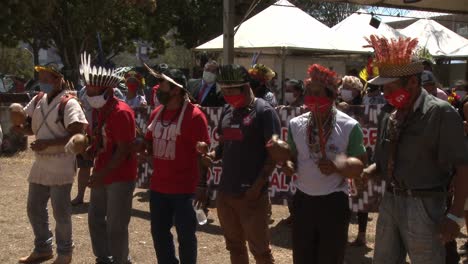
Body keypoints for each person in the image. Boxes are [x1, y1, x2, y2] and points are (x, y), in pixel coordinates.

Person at [363, 35, 468, 264]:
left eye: (390, 88)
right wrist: (366, 173)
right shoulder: (389, 115)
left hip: (426, 204)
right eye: (383, 89)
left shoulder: (441, 113)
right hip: (390, 200)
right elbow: (381, 164)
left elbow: (463, 167)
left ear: (412, 82)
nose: (385, 95)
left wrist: (455, 215)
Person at [287, 64, 366, 264]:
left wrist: (337, 166)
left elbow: (360, 166)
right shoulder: (296, 125)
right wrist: (287, 163)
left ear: (331, 95)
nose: (312, 97)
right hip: (303, 201)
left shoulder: (349, 126)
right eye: (309, 93)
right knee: (303, 258)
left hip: (334, 203)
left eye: (318, 93)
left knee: (330, 258)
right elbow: (291, 158)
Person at [202, 64, 280, 264]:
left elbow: (274, 155)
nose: (226, 95)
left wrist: (257, 186)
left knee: (261, 251)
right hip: (226, 192)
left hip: (252, 195)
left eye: (231, 91)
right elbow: (224, 145)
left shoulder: (264, 112)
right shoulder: (228, 110)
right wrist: (212, 154)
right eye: (224, 90)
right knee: (235, 246)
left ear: (245, 87)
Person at [15, 63, 88, 264]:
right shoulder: (38, 99)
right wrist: (20, 128)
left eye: (47, 79)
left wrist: (47, 143)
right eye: (42, 79)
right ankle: (43, 248)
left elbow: (78, 133)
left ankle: (65, 253)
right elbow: (30, 126)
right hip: (41, 163)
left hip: (61, 163)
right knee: (34, 207)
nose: (43, 83)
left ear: (58, 80)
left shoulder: (69, 103)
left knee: (60, 211)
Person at [143, 65, 210, 263]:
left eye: (162, 84)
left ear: (175, 89)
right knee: (159, 234)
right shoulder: (156, 113)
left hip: (185, 190)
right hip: (158, 188)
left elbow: (202, 154)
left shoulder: (195, 116)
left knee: (186, 237)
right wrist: (142, 147)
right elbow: (149, 142)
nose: (157, 88)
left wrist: (201, 186)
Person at [80, 53, 138, 264]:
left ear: (106, 89)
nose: (87, 91)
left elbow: (123, 151)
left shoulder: (121, 112)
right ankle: (103, 258)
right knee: (95, 219)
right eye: (87, 86)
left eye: (92, 88)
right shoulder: (98, 111)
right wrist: (90, 149)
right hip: (102, 171)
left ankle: (121, 260)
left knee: (116, 224)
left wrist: (101, 175)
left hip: (120, 176)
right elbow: (102, 141)